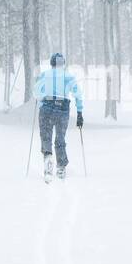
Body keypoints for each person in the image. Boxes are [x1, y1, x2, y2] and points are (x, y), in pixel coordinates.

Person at [35, 52, 83, 180]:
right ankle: (61, 167)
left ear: (51, 63)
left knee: (46, 135)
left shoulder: (45, 75)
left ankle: (48, 159)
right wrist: (79, 113)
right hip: (62, 109)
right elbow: (78, 94)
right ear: (63, 64)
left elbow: (36, 92)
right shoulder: (69, 77)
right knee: (60, 137)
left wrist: (42, 95)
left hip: (47, 108)